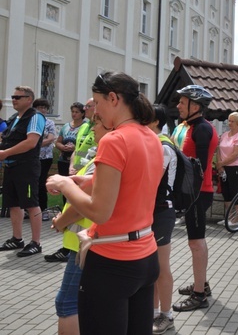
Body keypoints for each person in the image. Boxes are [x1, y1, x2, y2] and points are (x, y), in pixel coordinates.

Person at [46, 72, 162, 334]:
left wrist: (64, 184)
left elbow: (100, 211)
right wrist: (82, 181)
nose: (94, 111)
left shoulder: (114, 139)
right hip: (145, 254)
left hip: (112, 260)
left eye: (97, 103)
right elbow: (130, 186)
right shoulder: (150, 137)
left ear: (113, 98)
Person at [49, 113, 108, 335]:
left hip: (84, 244)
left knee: (66, 303)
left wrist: (60, 222)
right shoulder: (98, 158)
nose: (92, 129)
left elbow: (82, 203)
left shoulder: (103, 160)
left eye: (97, 123)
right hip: (89, 242)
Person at [173, 84, 219, 312]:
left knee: (196, 242)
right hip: (195, 192)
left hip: (198, 193)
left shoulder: (201, 129)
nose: (178, 105)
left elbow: (199, 168)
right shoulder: (193, 127)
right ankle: (203, 283)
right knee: (196, 242)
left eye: (182, 102)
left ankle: (199, 294)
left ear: (195, 105)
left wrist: (189, 197)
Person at [0, 86, 46, 257]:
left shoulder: (35, 117)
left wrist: (5, 153)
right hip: (11, 167)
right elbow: (5, 138)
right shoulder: (14, 118)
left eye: (18, 97)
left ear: (29, 99)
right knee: (13, 203)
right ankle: (17, 238)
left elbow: (30, 143)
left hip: (26, 167)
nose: (14, 100)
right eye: (13, 97)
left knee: (31, 204)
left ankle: (36, 242)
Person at [150, 104, 178, 334]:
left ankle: (166, 314)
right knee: (151, 266)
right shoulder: (154, 143)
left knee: (161, 266)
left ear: (155, 122)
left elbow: (151, 181)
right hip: (151, 211)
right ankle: (152, 311)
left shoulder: (163, 146)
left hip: (161, 211)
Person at [215, 112, 238, 226]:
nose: (229, 123)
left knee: (234, 192)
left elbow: (236, 154)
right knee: (226, 192)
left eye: (232, 121)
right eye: (229, 120)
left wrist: (222, 163)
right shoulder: (224, 135)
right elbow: (219, 149)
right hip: (223, 167)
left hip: (234, 167)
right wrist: (220, 165)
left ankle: (237, 218)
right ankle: (229, 217)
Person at [33, 98, 57, 221]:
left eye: (44, 108)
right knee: (32, 183)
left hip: (45, 158)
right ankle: (32, 208)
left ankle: (43, 209)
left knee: (42, 183)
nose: (42, 110)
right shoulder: (31, 122)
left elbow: (50, 139)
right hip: (32, 157)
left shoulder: (49, 123)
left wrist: (34, 143)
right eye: (39, 107)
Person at [54, 102, 86, 177]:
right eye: (72, 112)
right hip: (63, 160)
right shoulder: (66, 126)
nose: (74, 114)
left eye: (76, 112)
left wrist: (74, 148)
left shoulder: (85, 126)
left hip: (77, 161)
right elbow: (58, 142)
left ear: (82, 114)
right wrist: (62, 147)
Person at [71, 98, 96, 172]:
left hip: (89, 172)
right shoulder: (83, 126)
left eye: (88, 106)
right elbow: (76, 150)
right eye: (85, 106)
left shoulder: (102, 128)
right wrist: (71, 166)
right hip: (76, 171)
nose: (84, 109)